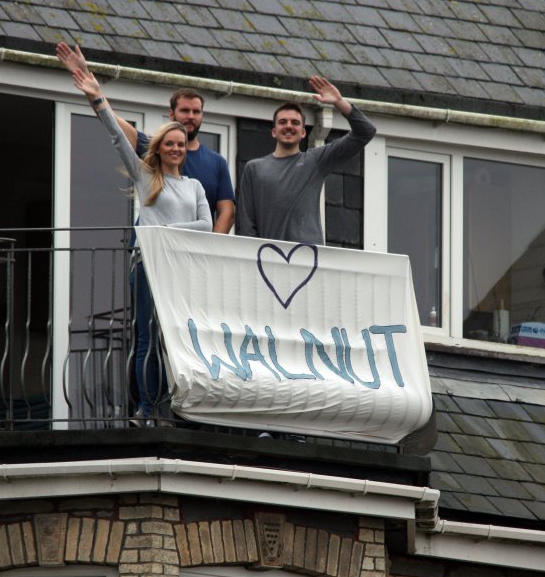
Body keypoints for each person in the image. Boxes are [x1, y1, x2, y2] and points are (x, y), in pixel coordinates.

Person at [71, 67, 212, 423]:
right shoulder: (147, 176)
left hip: (179, 269)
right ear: (160, 148)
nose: (176, 149)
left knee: (178, 339)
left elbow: (207, 225)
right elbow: (119, 138)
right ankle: (147, 406)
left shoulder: (195, 186)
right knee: (147, 338)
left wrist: (161, 230)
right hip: (148, 267)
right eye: (170, 144)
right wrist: (96, 96)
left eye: (181, 145)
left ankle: (179, 408)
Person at [56, 43, 235, 233]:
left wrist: (204, 251)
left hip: (187, 257)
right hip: (150, 253)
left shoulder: (213, 165)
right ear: (171, 114)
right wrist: (92, 89)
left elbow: (225, 213)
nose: (191, 116)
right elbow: (115, 128)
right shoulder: (147, 160)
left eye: (196, 111)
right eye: (185, 110)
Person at [236, 76, 376, 244]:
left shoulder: (315, 161)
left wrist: (339, 102)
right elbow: (245, 225)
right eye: (282, 122)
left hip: (308, 260)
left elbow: (366, 132)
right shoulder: (254, 169)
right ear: (273, 131)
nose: (289, 126)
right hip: (269, 259)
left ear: (303, 132)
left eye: (295, 123)